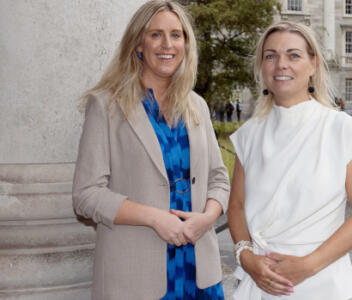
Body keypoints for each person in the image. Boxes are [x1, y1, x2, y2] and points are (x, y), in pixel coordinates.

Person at [72, 1, 229, 299]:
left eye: (176, 34)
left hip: (200, 277)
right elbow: (86, 195)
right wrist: (155, 218)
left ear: (186, 43)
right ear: (138, 44)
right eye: (155, 34)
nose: (167, 44)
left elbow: (219, 178)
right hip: (135, 280)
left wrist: (207, 218)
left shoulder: (197, 106)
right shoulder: (105, 105)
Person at [227, 21, 352, 300]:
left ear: (313, 65)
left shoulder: (341, 129)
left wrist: (309, 265)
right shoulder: (248, 135)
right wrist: (246, 257)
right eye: (270, 56)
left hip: (321, 283)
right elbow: (235, 206)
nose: (280, 64)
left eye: (293, 55)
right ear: (262, 67)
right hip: (258, 283)